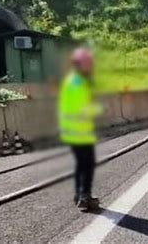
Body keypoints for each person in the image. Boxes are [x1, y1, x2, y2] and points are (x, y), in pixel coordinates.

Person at [58, 47, 102, 211]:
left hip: (71, 130)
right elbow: (81, 107)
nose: (91, 66)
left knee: (81, 163)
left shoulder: (72, 79)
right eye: (89, 63)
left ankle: (79, 195)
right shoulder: (78, 82)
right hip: (79, 130)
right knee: (88, 163)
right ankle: (85, 196)